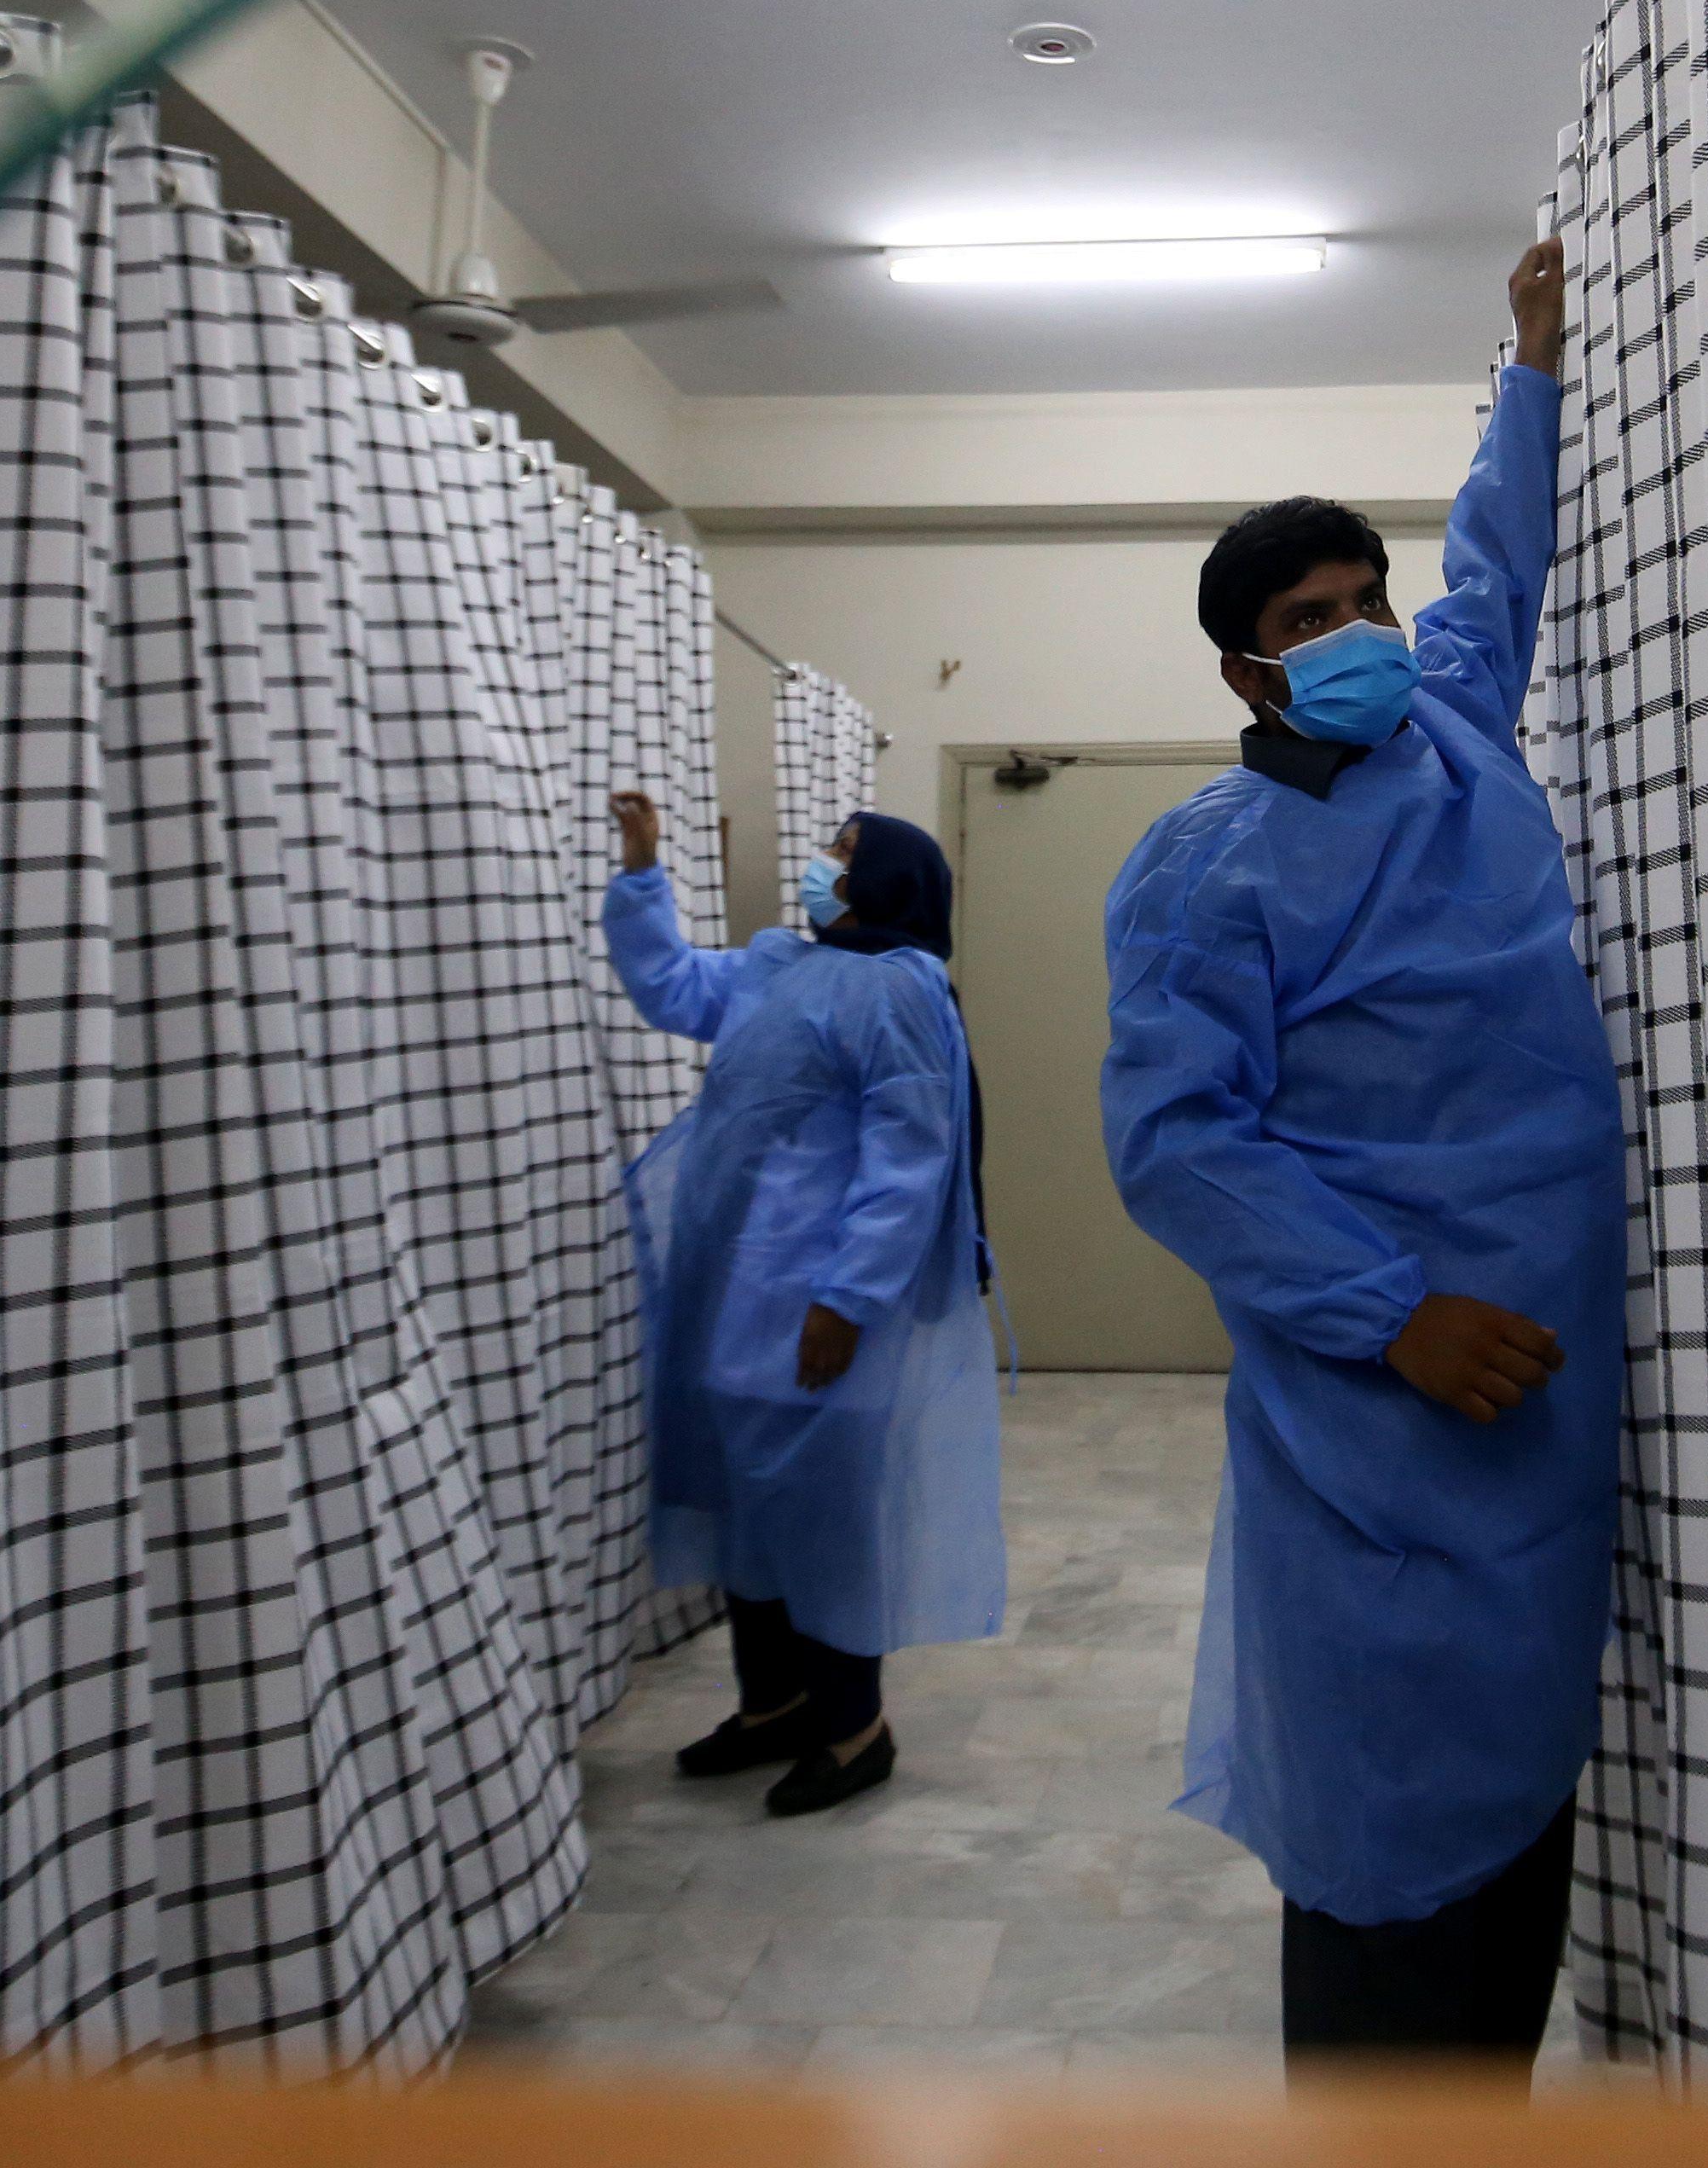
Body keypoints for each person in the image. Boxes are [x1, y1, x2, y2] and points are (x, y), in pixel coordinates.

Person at [1098, 235, 1624, 2067]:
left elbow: (1498, 557)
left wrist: (1532, 364)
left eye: (1362, 599)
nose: (1358, 636)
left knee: (1526, 1808)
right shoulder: (1203, 866)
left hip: (1550, 1380)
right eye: (1311, 622)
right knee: (1390, 1829)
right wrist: (1393, 1315)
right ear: (1248, 674)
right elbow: (1177, 1145)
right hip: (1389, 1403)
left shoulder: (1461, 730)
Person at [602, 797, 1005, 1816]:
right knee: (747, 1501)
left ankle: (855, 1729)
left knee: (822, 1513)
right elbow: (670, 988)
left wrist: (849, 1296)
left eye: (848, 852)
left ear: (895, 881)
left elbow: (908, 1155)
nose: (827, 864)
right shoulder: (778, 965)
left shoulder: (900, 989)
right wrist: (644, 875)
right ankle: (772, 1704)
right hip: (733, 1289)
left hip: (821, 1300)